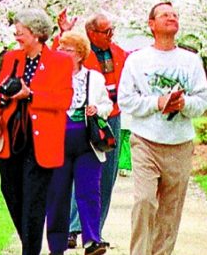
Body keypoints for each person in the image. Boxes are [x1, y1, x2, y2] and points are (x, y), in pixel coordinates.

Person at [117, 1, 207, 255]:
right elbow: (125, 100)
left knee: (171, 210)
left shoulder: (190, 61)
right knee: (144, 201)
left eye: (175, 15)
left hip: (179, 144)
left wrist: (183, 103)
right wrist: (156, 102)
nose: (172, 18)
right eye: (165, 15)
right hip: (146, 141)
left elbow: (202, 101)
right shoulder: (137, 60)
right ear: (151, 24)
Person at [0, 9, 74, 255]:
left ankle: (30, 251)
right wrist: (5, 96)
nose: (17, 37)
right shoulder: (11, 58)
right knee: (11, 193)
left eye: (22, 33)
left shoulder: (59, 61)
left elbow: (64, 99)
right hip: (12, 138)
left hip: (41, 143)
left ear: (37, 34)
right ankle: (29, 243)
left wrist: (32, 95)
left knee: (33, 200)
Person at [46, 32, 113, 255]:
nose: (62, 53)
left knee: (89, 191)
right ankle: (58, 241)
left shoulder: (94, 78)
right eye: (60, 49)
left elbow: (107, 105)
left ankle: (92, 239)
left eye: (68, 50)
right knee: (57, 192)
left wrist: (98, 110)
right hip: (58, 141)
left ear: (80, 54)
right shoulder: (51, 75)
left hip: (87, 142)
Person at [66, 12, 128, 247]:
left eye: (112, 30)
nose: (111, 35)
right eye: (106, 31)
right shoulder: (81, 53)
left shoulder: (118, 53)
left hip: (111, 117)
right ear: (91, 33)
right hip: (83, 119)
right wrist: (63, 32)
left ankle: (95, 232)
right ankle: (72, 228)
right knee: (81, 172)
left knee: (107, 176)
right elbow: (57, 57)